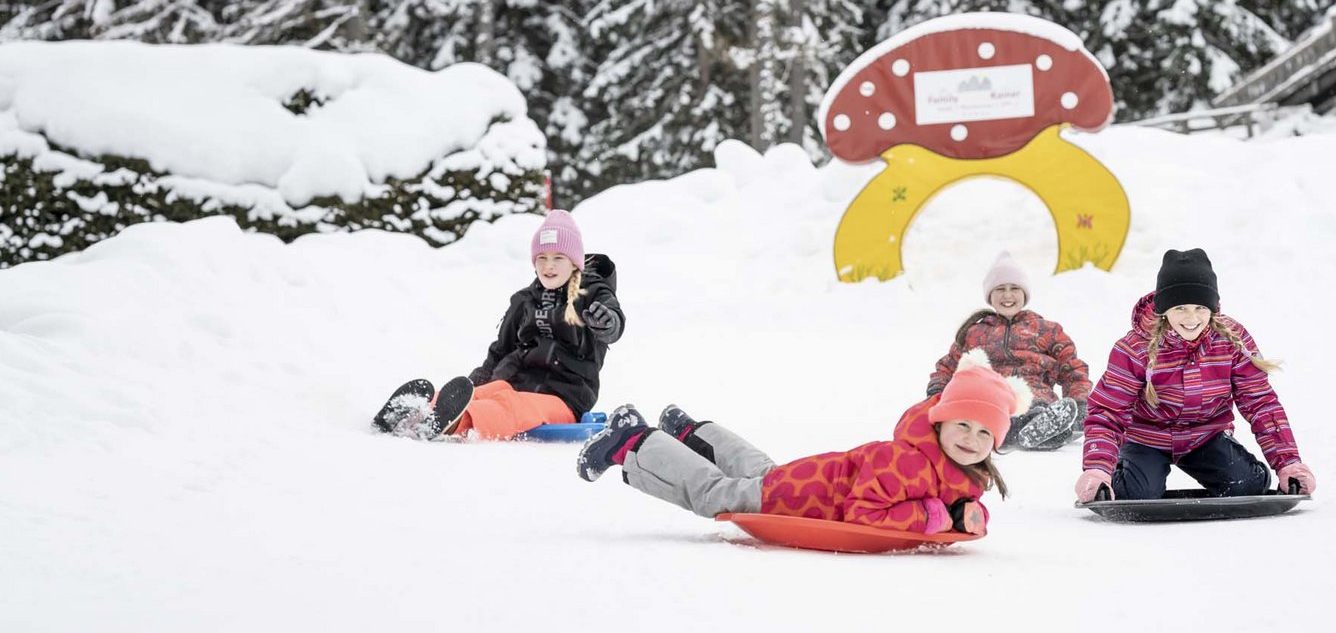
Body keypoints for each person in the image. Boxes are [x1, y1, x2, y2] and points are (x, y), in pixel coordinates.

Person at [579, 352, 1029, 534]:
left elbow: (958, 498)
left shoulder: (954, 463)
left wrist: (966, 513)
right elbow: (864, 515)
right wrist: (933, 516)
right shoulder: (909, 462)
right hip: (805, 499)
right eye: (963, 426)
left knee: (763, 472)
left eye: (985, 432)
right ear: (940, 423)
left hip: (812, 484)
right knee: (718, 495)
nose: (972, 440)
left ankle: (690, 434)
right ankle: (632, 441)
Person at [1072, 248, 1317, 503]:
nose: (1192, 318)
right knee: (1138, 494)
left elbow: (1260, 403)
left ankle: (1245, 475)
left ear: (1213, 307)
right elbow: (1108, 411)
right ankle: (1118, 477)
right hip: (1147, 439)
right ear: (1164, 309)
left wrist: (1288, 464)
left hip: (1206, 437)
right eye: (1180, 308)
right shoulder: (1134, 349)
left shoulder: (1231, 340)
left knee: (1248, 485)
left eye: (1201, 307)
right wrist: (1097, 470)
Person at [371, 210, 624, 440]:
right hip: (516, 382)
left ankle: (455, 422)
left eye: (559, 257)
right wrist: (473, 385)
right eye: (542, 257)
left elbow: (614, 319)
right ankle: (415, 410)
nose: (548, 265)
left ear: (574, 262)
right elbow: (501, 350)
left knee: (510, 406)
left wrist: (607, 322)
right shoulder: (524, 301)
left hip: (565, 398)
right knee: (493, 391)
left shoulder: (591, 294)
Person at [925, 251, 1090, 451]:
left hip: (1035, 395)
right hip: (990, 397)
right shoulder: (975, 332)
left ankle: (1043, 425)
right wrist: (936, 395)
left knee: (1036, 406)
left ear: (1024, 294)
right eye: (1000, 289)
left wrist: (1080, 402)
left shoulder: (1047, 330)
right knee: (987, 409)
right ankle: (1028, 431)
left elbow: (1072, 369)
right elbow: (948, 367)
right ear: (990, 296)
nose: (1007, 295)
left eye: (1014, 288)